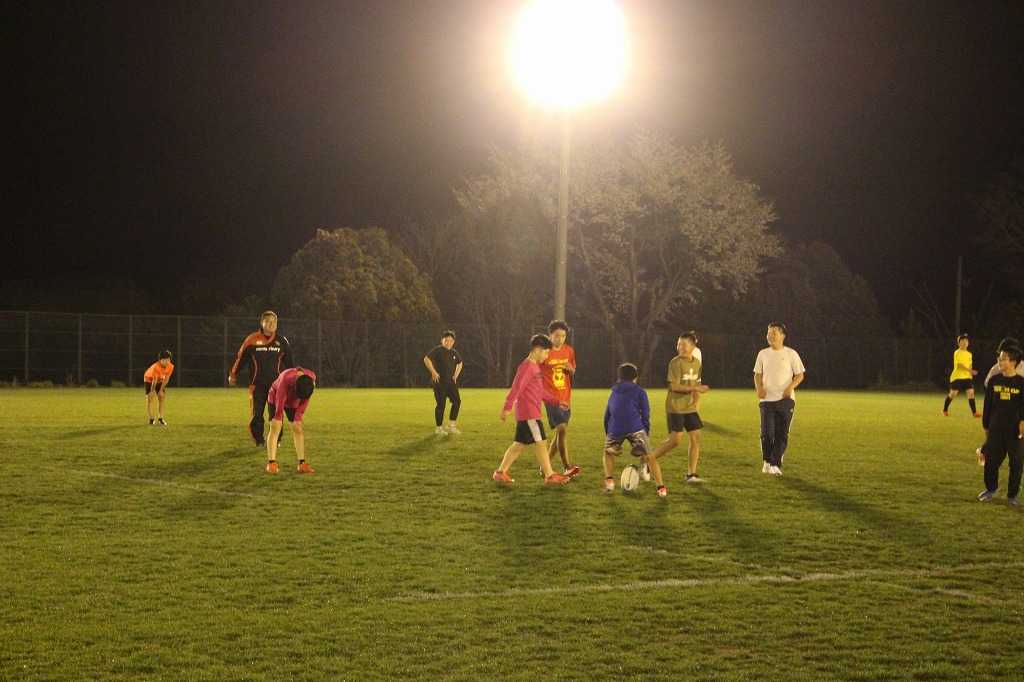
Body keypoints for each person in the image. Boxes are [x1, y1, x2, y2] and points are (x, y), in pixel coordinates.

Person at [492, 334, 571, 486]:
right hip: (530, 415)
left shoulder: (534, 367)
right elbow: (517, 388)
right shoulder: (527, 367)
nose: (547, 356)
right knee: (541, 442)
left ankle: (500, 473)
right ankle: (549, 475)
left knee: (519, 445)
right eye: (546, 353)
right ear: (537, 350)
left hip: (527, 414)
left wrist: (557, 401)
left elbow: (540, 391)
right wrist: (507, 407)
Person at [645, 332, 710, 497]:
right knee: (675, 441)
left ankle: (691, 474)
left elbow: (696, 383)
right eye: (678, 344)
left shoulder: (697, 363)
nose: (680, 347)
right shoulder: (675, 363)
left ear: (693, 346)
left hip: (689, 408)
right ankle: (649, 460)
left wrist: (696, 401)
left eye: (683, 344)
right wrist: (694, 389)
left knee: (696, 438)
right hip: (675, 407)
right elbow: (673, 386)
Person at [228, 311, 293, 446]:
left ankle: (276, 439)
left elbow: (290, 363)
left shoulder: (282, 341)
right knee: (257, 414)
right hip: (257, 385)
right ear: (261, 323)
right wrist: (233, 375)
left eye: (274, 322)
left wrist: (293, 379)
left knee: (276, 414)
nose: (271, 324)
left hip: (277, 386)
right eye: (268, 321)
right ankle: (259, 440)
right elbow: (240, 359)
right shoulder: (251, 340)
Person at [754, 322, 806, 476]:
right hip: (766, 401)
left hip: (786, 400)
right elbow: (757, 374)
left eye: (774, 333)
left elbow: (800, 375)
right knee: (767, 434)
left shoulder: (791, 354)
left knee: (781, 434)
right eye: (768, 333)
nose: (770, 336)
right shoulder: (763, 354)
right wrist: (759, 388)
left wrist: (790, 388)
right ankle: (766, 461)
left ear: (782, 335)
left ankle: (775, 464)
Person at [976, 347, 1024, 506]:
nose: (1000, 361)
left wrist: (1023, 422)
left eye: (1003, 359)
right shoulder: (994, 381)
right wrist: (986, 426)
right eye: (999, 358)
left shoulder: (1021, 383)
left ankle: (1012, 495)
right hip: (996, 428)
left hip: (1015, 430)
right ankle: (991, 489)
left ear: (1013, 362)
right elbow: (988, 405)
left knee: (1016, 463)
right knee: (991, 461)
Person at [602, 363, 651, 493]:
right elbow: (646, 414)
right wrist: (646, 433)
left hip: (615, 429)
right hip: (635, 427)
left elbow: (607, 415)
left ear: (619, 378)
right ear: (635, 377)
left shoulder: (614, 391)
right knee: (646, 449)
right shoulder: (640, 391)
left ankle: (609, 482)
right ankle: (644, 468)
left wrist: (609, 435)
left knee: (607, 452)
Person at [541, 320, 580, 478]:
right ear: (550, 335)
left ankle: (545, 466)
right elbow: (533, 370)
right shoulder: (544, 352)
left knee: (560, 433)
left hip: (566, 397)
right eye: (557, 336)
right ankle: (567, 467)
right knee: (562, 429)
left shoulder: (569, 351)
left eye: (563, 336)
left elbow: (573, 369)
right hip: (551, 398)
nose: (560, 339)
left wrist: (571, 370)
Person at [265, 367, 317, 475]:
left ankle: (302, 464)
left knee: (298, 428)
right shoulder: (286, 378)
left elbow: (305, 401)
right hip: (275, 396)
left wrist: (298, 418)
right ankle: (271, 463)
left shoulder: (310, 381)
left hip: (293, 400)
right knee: (275, 427)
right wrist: (278, 417)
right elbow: (280, 400)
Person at [423, 330, 463, 435]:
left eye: (450, 340)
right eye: (446, 340)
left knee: (457, 402)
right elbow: (426, 359)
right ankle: (439, 428)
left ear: (453, 341)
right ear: (442, 340)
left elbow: (460, 363)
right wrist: (433, 372)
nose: (448, 342)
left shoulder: (454, 352)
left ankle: (451, 426)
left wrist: (456, 375)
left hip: (451, 383)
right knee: (441, 405)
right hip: (439, 383)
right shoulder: (438, 350)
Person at [943, 334, 979, 417]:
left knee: (971, 393)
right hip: (957, 377)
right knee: (953, 394)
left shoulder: (969, 354)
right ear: (959, 343)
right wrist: (970, 371)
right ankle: (945, 410)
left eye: (966, 341)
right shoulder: (957, 352)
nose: (964, 342)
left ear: (968, 343)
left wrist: (971, 374)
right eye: (962, 341)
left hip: (967, 377)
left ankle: (974, 413)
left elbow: (970, 365)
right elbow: (959, 365)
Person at [143, 350, 174, 426]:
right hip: (149, 379)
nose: (167, 361)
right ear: (160, 360)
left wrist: (160, 390)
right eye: (164, 360)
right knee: (150, 399)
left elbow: (166, 379)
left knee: (162, 397)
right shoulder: (156, 367)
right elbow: (154, 381)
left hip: (160, 379)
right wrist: (152, 391)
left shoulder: (171, 366)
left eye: (168, 359)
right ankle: (151, 419)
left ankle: (161, 418)